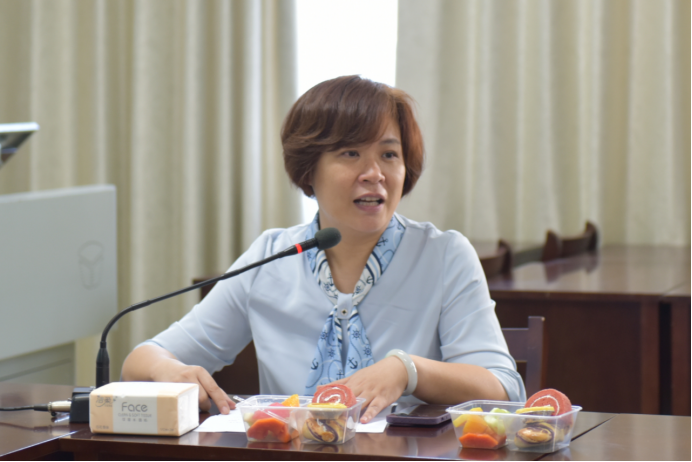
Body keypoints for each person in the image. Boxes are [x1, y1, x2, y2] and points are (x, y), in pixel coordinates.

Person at [122, 75, 525, 423]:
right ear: (309, 169)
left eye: (389, 154)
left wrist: (408, 370)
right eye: (351, 153)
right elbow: (141, 362)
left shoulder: (443, 255)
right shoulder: (272, 257)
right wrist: (167, 370)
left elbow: (504, 389)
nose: (374, 174)